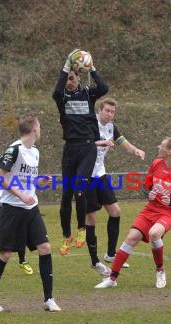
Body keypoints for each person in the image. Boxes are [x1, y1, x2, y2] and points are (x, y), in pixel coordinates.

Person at [0, 113, 60, 312]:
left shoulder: (35, 152)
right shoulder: (14, 150)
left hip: (31, 208)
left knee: (45, 248)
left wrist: (40, 182)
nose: (41, 130)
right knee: (6, 253)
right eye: (40, 126)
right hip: (12, 208)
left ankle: (49, 299)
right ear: (34, 129)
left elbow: (27, 179)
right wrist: (19, 195)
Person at [95, 137, 171, 289]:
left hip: (169, 213)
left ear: (170, 151)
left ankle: (160, 270)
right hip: (151, 209)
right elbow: (145, 187)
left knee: (154, 233)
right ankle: (112, 279)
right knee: (131, 238)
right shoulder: (156, 164)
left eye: (162, 145)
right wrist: (149, 194)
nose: (159, 146)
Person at [52, 49, 111, 256]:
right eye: (67, 78)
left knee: (78, 186)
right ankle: (66, 236)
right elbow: (56, 91)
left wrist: (92, 68)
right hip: (70, 148)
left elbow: (104, 87)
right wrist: (66, 65)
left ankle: (81, 229)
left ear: (79, 76)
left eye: (73, 78)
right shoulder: (62, 97)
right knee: (66, 195)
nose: (70, 81)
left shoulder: (88, 93)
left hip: (88, 147)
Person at [85, 97, 145, 275]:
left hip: (100, 173)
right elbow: (82, 144)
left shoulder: (111, 127)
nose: (110, 115)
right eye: (107, 111)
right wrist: (99, 142)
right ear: (99, 110)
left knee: (115, 212)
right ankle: (95, 261)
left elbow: (123, 143)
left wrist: (135, 150)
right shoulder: (89, 123)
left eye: (113, 112)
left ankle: (111, 254)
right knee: (91, 218)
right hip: (85, 175)